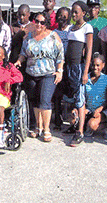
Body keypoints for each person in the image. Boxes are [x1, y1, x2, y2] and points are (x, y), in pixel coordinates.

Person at [15, 12, 64, 142]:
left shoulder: (53, 36)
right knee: (36, 101)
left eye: (42, 22)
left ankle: (47, 129)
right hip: (31, 73)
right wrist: (19, 61)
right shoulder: (29, 37)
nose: (39, 24)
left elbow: (60, 55)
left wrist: (60, 71)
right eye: (37, 21)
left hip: (48, 74)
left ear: (46, 24)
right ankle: (38, 126)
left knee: (45, 101)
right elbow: (23, 53)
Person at [66, 1, 93, 147]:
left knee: (80, 99)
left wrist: (85, 72)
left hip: (79, 67)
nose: (74, 14)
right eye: (73, 12)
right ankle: (74, 125)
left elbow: (88, 51)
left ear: (83, 12)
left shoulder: (87, 27)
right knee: (73, 97)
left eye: (76, 12)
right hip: (69, 66)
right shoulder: (71, 27)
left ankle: (80, 132)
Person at [83, 53, 107, 137]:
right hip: (89, 108)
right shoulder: (86, 78)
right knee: (73, 119)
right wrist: (84, 108)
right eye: (93, 65)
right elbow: (83, 97)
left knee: (92, 124)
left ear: (103, 65)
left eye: (98, 65)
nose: (95, 67)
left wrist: (99, 110)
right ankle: (87, 126)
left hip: (102, 109)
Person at [53, 6, 72, 130]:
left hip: (71, 67)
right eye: (60, 15)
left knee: (72, 94)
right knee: (57, 95)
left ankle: (73, 122)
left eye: (65, 16)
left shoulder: (72, 31)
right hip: (58, 67)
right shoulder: (53, 32)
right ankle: (58, 121)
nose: (62, 18)